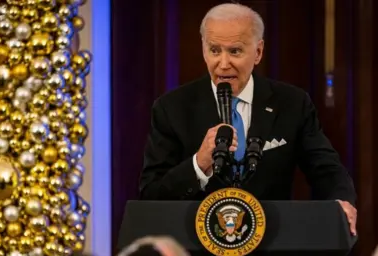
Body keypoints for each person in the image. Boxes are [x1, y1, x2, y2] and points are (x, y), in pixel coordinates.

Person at [139, 3, 357, 235]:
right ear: (204, 50)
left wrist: (340, 200)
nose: (223, 64)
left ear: (258, 52)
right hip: (199, 253)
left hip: (273, 246)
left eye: (235, 51)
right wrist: (199, 164)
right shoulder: (172, 108)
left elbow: (325, 169)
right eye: (214, 50)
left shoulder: (291, 103)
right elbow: (151, 194)